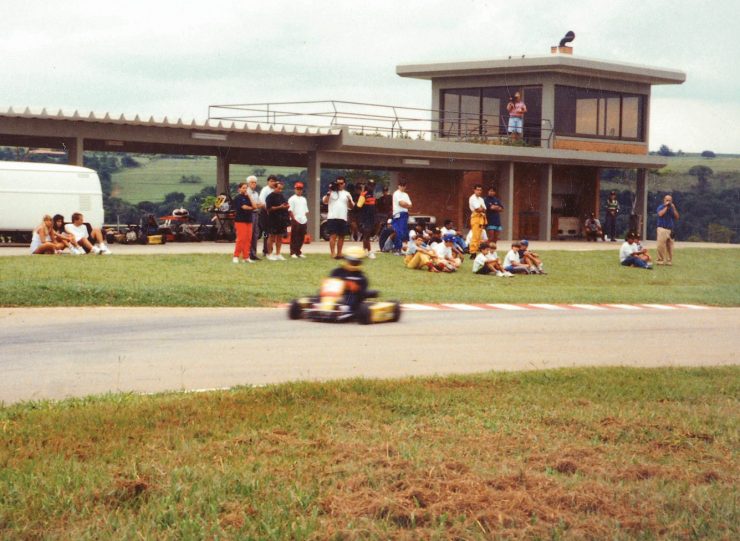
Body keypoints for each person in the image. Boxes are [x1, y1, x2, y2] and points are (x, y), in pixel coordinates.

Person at [328, 246, 372, 311]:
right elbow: (329, 285)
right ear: (346, 259)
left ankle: (345, 308)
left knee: (351, 296)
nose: (353, 263)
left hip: (351, 301)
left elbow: (362, 294)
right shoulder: (337, 272)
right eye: (351, 261)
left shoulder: (361, 277)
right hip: (335, 296)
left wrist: (354, 288)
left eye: (355, 261)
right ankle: (321, 305)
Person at [322, 176, 354, 259]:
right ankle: (333, 253)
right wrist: (329, 192)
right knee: (333, 235)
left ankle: (339, 253)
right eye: (338, 183)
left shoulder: (347, 193)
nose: (340, 185)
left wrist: (350, 201)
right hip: (332, 217)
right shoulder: (331, 192)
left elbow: (351, 207)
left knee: (342, 236)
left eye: (341, 183)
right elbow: (325, 201)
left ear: (344, 184)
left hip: (342, 217)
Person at [265, 181, 290, 260]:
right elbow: (269, 208)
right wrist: (279, 207)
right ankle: (269, 253)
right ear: (274, 187)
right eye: (279, 188)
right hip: (272, 219)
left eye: (281, 189)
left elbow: (285, 204)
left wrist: (286, 206)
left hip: (281, 219)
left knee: (280, 236)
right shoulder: (270, 197)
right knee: (271, 236)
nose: (280, 190)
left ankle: (278, 253)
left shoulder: (281, 196)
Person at [232, 181, 255, 264]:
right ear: (239, 189)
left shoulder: (248, 197)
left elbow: (255, 206)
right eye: (243, 188)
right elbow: (244, 207)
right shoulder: (238, 198)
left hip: (249, 220)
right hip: (240, 220)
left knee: (248, 239)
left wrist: (250, 196)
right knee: (241, 239)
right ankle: (236, 256)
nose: (245, 189)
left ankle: (246, 257)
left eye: (246, 188)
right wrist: (252, 208)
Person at [656, 194, 679, 266]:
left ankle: (669, 261)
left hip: (670, 229)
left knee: (670, 246)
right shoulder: (661, 207)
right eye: (667, 200)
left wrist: (674, 208)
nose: (668, 201)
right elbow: (660, 214)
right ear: (664, 200)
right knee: (660, 245)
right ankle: (660, 260)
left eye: (670, 200)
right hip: (662, 228)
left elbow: (677, 217)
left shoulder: (672, 208)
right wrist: (666, 207)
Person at [356, 181, 377, 259]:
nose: (372, 187)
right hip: (365, 218)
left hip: (371, 218)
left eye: (373, 185)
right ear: (367, 186)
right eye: (370, 185)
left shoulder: (373, 195)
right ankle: (370, 252)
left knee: (367, 235)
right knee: (366, 235)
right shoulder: (363, 194)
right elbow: (358, 206)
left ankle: (365, 251)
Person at [288, 182, 309, 259]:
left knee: (301, 237)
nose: (299, 190)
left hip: (303, 220)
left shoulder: (304, 199)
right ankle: (292, 252)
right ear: (295, 189)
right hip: (295, 220)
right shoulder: (292, 199)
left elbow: (306, 211)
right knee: (294, 237)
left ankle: (298, 251)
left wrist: (304, 219)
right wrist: (293, 220)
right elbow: (290, 210)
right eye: (297, 189)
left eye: (300, 189)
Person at [259, 175, 278, 257]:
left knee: (272, 233)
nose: (272, 182)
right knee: (266, 233)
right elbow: (262, 202)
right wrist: (268, 210)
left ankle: (270, 250)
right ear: (268, 182)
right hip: (265, 213)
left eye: (274, 181)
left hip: (274, 213)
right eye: (271, 181)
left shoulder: (275, 190)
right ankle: (265, 250)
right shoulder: (265, 190)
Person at [246, 176, 264, 261]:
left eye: (255, 182)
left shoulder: (256, 193)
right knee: (249, 234)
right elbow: (254, 205)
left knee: (255, 234)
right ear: (248, 183)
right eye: (252, 182)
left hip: (256, 214)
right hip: (250, 214)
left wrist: (256, 205)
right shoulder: (246, 193)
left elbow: (260, 204)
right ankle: (248, 253)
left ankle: (253, 254)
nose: (254, 184)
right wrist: (256, 205)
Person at [391, 181, 412, 253]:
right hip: (398, 214)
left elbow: (410, 205)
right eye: (401, 185)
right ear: (398, 186)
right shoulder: (396, 193)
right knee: (399, 231)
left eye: (404, 185)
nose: (402, 187)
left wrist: (405, 204)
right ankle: (397, 248)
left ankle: (404, 249)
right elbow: (401, 204)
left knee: (405, 232)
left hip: (405, 214)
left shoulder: (406, 194)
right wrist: (406, 204)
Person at [468, 184, 487, 257]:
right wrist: (481, 208)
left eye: (480, 190)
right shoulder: (472, 198)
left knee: (479, 235)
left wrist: (481, 208)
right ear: (474, 190)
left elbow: (484, 209)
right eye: (477, 190)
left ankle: (477, 250)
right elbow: (477, 209)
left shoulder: (481, 199)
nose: (479, 191)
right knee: (475, 235)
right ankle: (473, 252)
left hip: (481, 217)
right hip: (475, 217)